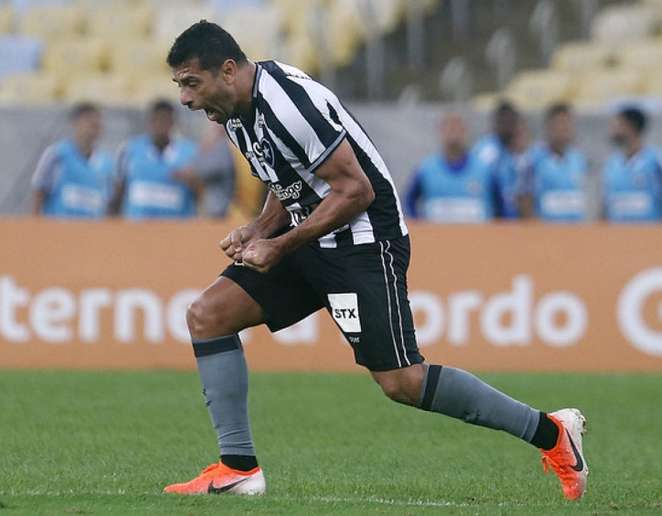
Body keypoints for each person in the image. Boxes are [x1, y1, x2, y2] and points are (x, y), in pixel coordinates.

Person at [161, 21, 588, 501]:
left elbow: (355, 189)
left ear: (228, 69)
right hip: (310, 235)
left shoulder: (288, 105)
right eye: (180, 85)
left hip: (363, 240)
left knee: (402, 381)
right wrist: (260, 228)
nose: (186, 99)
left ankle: (552, 433)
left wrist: (278, 245)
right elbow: (291, 178)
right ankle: (239, 468)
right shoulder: (231, 112)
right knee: (208, 315)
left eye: (191, 83)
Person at [404, 112, 502, 223]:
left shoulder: (485, 170)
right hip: (436, 239)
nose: (453, 134)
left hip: (478, 239)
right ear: (441, 131)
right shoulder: (425, 170)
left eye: (457, 128)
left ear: (465, 132)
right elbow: (408, 203)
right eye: (449, 128)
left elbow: (501, 209)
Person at [111, 100, 198, 219]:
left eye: (165, 120)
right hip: (135, 230)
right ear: (150, 122)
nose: (161, 125)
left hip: (175, 231)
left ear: (173, 123)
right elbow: (118, 192)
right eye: (157, 120)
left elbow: (201, 193)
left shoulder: (189, 153)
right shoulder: (129, 150)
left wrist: (193, 182)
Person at [31, 102, 114, 219]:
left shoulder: (107, 162)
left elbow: (107, 201)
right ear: (75, 122)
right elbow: (39, 191)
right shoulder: (57, 154)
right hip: (59, 232)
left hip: (91, 233)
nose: (94, 126)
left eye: (97, 123)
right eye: (88, 120)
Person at [523, 103, 589, 223]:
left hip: (575, 233)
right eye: (559, 124)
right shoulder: (534, 159)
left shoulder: (578, 159)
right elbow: (525, 199)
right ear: (549, 127)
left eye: (567, 124)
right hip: (547, 235)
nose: (563, 129)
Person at [602, 106, 662, 223]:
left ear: (631, 127)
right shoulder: (611, 163)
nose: (612, 129)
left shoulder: (655, 160)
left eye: (618, 125)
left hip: (648, 236)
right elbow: (606, 204)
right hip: (617, 237)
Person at [471, 101, 525, 218]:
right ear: (496, 123)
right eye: (504, 122)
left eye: (511, 122)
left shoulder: (518, 152)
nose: (508, 127)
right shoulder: (486, 150)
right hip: (494, 215)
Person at [177, 124, 236, 218]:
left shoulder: (223, 148)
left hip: (219, 212)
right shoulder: (217, 147)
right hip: (212, 211)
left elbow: (192, 173)